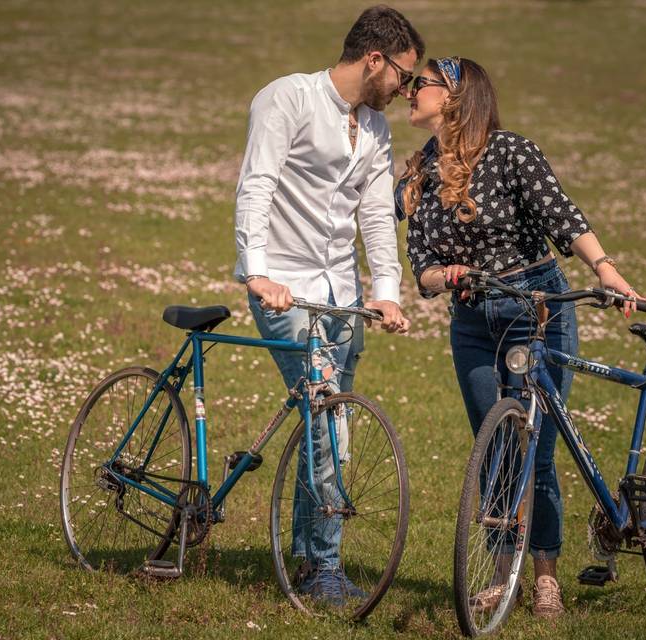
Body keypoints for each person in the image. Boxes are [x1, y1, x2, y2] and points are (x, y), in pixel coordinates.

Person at [396, 57, 645, 618]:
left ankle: (545, 577)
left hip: (537, 310)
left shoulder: (511, 152)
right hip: (472, 323)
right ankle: (501, 574)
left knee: (536, 453)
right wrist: (444, 274)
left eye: (421, 85)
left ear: (456, 97)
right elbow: (423, 264)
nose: (409, 93)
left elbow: (563, 217)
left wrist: (605, 269)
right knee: (496, 449)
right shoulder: (420, 171)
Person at [233, 5, 423, 605]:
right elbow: (256, 183)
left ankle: (301, 553)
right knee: (327, 424)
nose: (405, 89)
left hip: (341, 296)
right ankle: (325, 570)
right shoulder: (286, 99)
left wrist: (387, 293)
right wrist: (257, 273)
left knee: (323, 422)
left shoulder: (375, 128)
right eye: (403, 75)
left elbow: (373, 215)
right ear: (375, 59)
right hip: (284, 288)